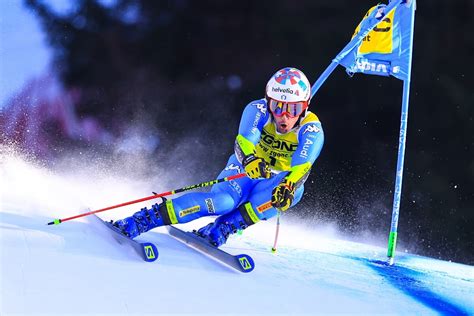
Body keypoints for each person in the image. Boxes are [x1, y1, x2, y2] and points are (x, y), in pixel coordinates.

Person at [113, 67, 324, 247]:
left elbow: (303, 165)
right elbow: (244, 141)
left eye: (293, 108)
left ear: (305, 106)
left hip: (275, 180)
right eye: (277, 106)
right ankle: (146, 218)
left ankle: (224, 226)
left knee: (294, 193)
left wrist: (288, 185)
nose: (284, 116)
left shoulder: (311, 129)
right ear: (268, 101)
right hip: (246, 169)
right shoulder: (257, 109)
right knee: (222, 202)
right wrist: (250, 160)